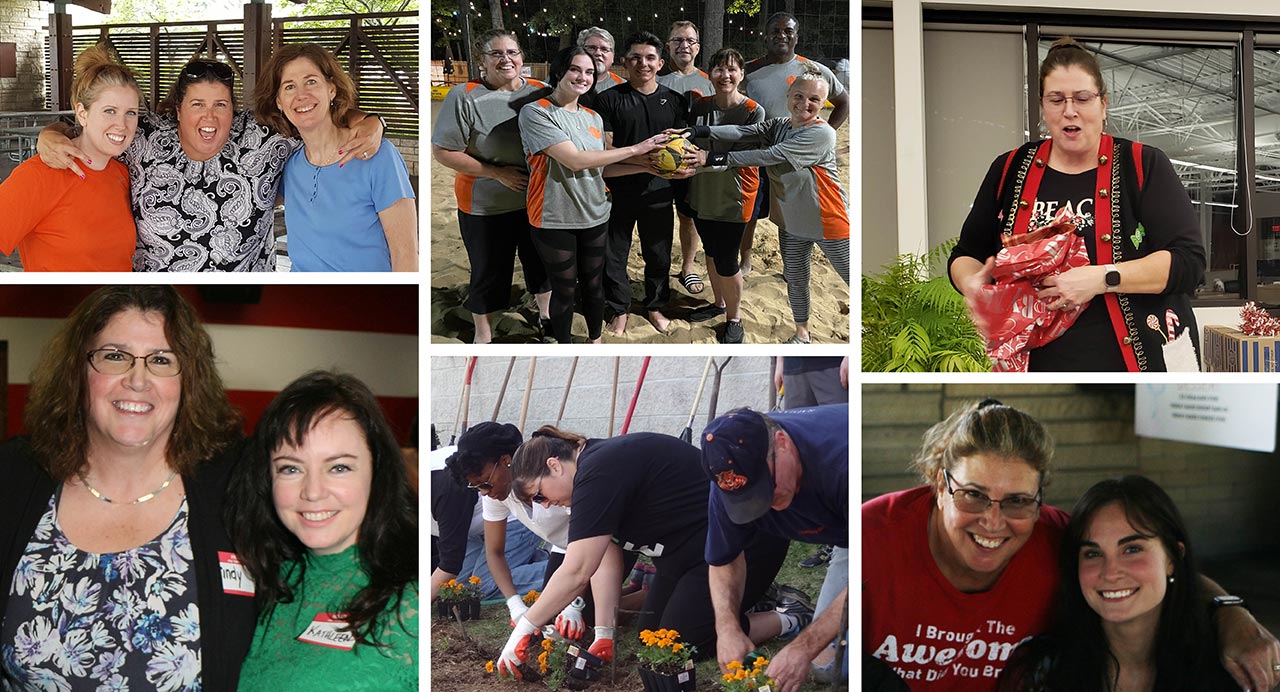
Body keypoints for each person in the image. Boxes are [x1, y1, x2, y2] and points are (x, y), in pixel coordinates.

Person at [862, 400, 1280, 691]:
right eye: (973, 494)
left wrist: (1232, 614)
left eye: (1017, 501)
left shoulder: (1059, 539)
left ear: (1038, 500)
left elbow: (1152, 569)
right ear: (940, 485)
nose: (993, 520)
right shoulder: (875, 532)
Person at [0, 286, 251, 690]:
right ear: (79, 370)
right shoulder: (13, 477)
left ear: (189, 379)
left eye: (161, 360)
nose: (138, 379)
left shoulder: (240, 489)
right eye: (115, 356)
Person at [948, 37, 1205, 372]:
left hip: (1134, 366)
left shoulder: (1141, 165)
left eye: (1082, 98)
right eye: (1056, 100)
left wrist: (1103, 278)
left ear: (1103, 103)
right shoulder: (1010, 168)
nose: (1070, 111)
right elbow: (966, 253)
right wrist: (972, 283)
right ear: (1043, 106)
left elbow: (1190, 262)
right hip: (1036, 368)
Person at [496, 426, 793, 678]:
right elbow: (604, 558)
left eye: (539, 494)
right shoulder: (589, 478)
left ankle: (789, 617)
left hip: (743, 543)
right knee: (651, 638)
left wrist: (525, 626)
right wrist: (604, 632)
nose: (544, 504)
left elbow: (577, 570)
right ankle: (739, 603)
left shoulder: (598, 471)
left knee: (679, 642)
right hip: (687, 554)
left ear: (554, 465)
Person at [37, 57, 385, 271]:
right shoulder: (144, 137)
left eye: (221, 105)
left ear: (234, 110)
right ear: (177, 110)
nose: (209, 116)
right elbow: (94, 126)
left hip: (246, 302)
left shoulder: (262, 136)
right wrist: (52, 133)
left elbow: (314, 113)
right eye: (197, 104)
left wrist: (371, 120)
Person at [229, 370, 417, 690]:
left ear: (377, 471)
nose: (313, 491)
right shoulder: (274, 580)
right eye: (291, 468)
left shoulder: (413, 597)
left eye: (339, 467)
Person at [997, 476, 1237, 692]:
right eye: (1092, 553)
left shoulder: (1229, 668)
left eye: (1132, 549)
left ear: (1173, 558)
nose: (1110, 573)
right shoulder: (1039, 671)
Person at [681, 66, 851, 344]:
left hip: (828, 221)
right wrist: (699, 129)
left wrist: (710, 158)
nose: (804, 104)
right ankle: (802, 334)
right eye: (799, 96)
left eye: (814, 100)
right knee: (796, 280)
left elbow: (770, 155)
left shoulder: (822, 134)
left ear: (823, 105)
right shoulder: (781, 125)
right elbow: (743, 131)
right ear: (789, 95)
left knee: (852, 278)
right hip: (790, 221)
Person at [518, 46, 668, 344]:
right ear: (560, 71)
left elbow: (601, 167)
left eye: (589, 72)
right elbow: (574, 160)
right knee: (564, 289)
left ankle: (595, 340)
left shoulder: (593, 117)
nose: (583, 77)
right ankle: (564, 345)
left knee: (594, 285)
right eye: (576, 69)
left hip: (596, 213)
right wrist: (638, 148)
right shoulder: (535, 112)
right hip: (553, 216)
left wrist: (648, 167)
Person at [446, 422, 633, 661]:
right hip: (566, 550)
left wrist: (574, 604)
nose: (484, 493)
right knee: (550, 617)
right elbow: (494, 552)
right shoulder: (496, 495)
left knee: (588, 616)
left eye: (485, 482)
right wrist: (516, 606)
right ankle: (625, 592)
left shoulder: (550, 480)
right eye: (477, 487)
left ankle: (646, 593)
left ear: (505, 461)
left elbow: (597, 549)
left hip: (604, 547)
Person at [702, 404, 850, 692]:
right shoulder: (730, 477)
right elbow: (724, 558)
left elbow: (876, 568)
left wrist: (802, 648)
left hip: (885, 540)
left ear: (781, 443)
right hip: (849, 531)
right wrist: (727, 628)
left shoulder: (845, 459)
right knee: (827, 668)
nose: (764, 503)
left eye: (765, 486)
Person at [432, 29, 553, 342]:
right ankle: (483, 333)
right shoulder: (465, 96)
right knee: (489, 270)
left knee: (540, 264)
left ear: (522, 57)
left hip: (535, 200)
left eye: (512, 52)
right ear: (482, 61)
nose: (506, 59)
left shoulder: (542, 91)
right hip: (485, 203)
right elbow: (444, 152)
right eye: (496, 54)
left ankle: (546, 316)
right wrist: (496, 173)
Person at [254, 44, 417, 272]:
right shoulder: (288, 165)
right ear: (279, 102)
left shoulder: (378, 156)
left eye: (311, 81)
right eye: (289, 87)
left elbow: (406, 254)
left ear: (331, 89)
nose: (302, 95)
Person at [0, 45, 139, 271]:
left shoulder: (121, 174)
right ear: (82, 113)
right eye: (109, 111)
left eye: (130, 113)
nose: (122, 125)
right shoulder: (40, 175)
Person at [740, 12, 850, 274]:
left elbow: (844, 102)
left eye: (787, 31)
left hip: (796, 157)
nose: (781, 35)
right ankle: (745, 260)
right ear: (766, 36)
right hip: (760, 152)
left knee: (791, 214)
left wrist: (822, 138)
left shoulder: (812, 70)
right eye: (775, 31)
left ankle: (793, 268)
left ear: (796, 37)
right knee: (750, 211)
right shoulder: (749, 71)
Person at [596, 31, 689, 336]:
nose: (643, 63)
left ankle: (655, 305)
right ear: (624, 62)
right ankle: (619, 308)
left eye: (650, 57)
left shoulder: (675, 101)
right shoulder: (608, 100)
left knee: (658, 253)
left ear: (661, 63)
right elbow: (603, 153)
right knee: (614, 253)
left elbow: (683, 148)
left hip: (659, 192)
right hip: (616, 190)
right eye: (635, 57)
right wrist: (644, 160)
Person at [682, 47, 765, 342]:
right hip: (704, 192)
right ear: (710, 73)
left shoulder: (753, 110)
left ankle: (735, 318)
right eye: (718, 69)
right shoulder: (700, 106)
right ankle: (718, 304)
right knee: (712, 252)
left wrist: (707, 159)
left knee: (729, 260)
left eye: (732, 69)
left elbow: (746, 155)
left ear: (741, 74)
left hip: (735, 195)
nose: (725, 75)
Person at [428, 442, 546, 602]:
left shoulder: (442, 487)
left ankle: (569, 570)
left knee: (482, 586)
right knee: (457, 586)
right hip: (472, 530)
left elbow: (450, 563)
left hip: (513, 517)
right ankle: (537, 558)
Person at [656, 20, 715, 299]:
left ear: (698, 47)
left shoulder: (709, 82)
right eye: (677, 40)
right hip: (655, 164)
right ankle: (656, 268)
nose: (684, 45)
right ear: (668, 46)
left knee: (687, 217)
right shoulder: (655, 81)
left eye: (690, 40)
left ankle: (688, 266)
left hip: (693, 164)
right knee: (656, 218)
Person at [577, 27, 625, 99]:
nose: (598, 53)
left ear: (613, 57)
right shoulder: (567, 83)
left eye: (604, 49)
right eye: (592, 48)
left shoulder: (623, 87)